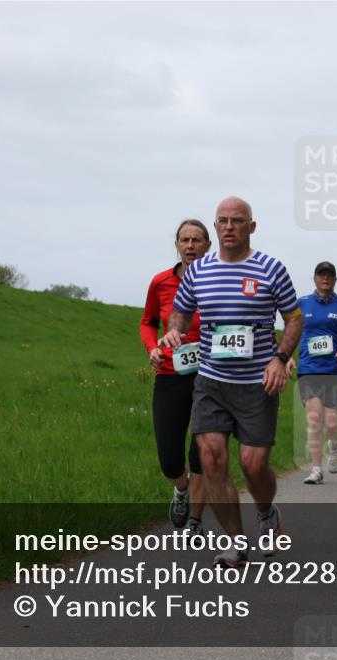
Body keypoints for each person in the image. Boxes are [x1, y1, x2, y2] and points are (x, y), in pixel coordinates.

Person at [159, 196, 304, 567]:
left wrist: (280, 359)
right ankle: (235, 542)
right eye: (222, 220)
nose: (228, 227)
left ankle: (267, 512)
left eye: (237, 221)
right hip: (211, 380)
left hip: (258, 382)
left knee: (253, 465)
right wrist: (173, 332)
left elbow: (294, 319)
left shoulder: (271, 269)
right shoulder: (199, 271)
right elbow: (179, 313)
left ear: (251, 227)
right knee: (211, 459)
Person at [140, 220, 212, 534]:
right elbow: (147, 322)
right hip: (170, 376)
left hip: (210, 377)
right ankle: (180, 489)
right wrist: (152, 348)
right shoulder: (160, 282)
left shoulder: (218, 282)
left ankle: (193, 523)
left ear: (208, 246)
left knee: (202, 454)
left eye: (197, 240)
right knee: (170, 460)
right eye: (185, 240)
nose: (190, 246)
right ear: (177, 245)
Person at [293, 262, 337, 484]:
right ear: (314, 278)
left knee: (331, 421)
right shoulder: (302, 303)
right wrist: (285, 359)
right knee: (314, 418)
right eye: (321, 275)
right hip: (308, 368)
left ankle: (334, 447)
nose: (325, 279)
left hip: (333, 369)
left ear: (335, 280)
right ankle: (316, 469)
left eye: (329, 276)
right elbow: (291, 331)